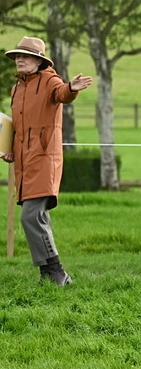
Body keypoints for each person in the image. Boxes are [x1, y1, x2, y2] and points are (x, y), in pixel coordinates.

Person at [2, 36, 92, 285]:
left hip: (44, 159)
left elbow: (62, 93)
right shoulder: (17, 88)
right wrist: (9, 147)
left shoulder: (50, 80)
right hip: (23, 161)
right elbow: (17, 126)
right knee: (37, 217)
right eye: (17, 56)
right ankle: (50, 275)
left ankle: (57, 272)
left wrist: (71, 88)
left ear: (39, 61)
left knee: (31, 216)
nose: (19, 59)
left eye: (25, 55)